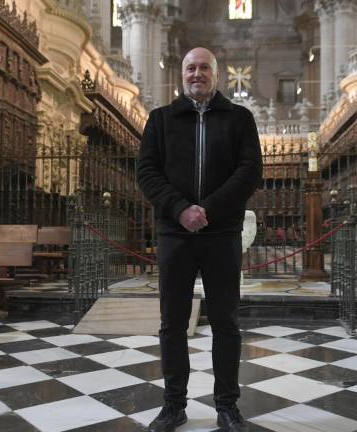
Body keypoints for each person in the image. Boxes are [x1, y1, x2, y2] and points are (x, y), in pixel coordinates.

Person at [137, 47, 262, 432]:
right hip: (176, 234)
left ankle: (227, 406)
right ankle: (174, 405)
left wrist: (206, 209)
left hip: (221, 233)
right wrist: (181, 210)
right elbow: (146, 172)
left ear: (216, 74)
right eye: (190, 67)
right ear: (181, 74)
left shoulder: (239, 118)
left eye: (204, 67)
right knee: (172, 323)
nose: (197, 74)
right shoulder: (160, 120)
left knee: (225, 321)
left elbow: (250, 171)